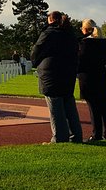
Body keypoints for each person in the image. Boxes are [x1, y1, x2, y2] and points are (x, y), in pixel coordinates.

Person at [30, 11, 83, 144]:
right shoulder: (70, 34)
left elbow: (37, 50)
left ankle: (59, 138)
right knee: (69, 105)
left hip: (51, 73)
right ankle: (76, 136)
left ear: (50, 19)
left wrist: (36, 63)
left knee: (55, 106)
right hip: (68, 73)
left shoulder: (48, 33)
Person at [78, 19, 106, 142]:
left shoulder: (85, 43)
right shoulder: (103, 43)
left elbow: (81, 61)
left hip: (88, 78)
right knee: (104, 107)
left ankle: (96, 134)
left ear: (86, 30)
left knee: (93, 108)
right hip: (101, 77)